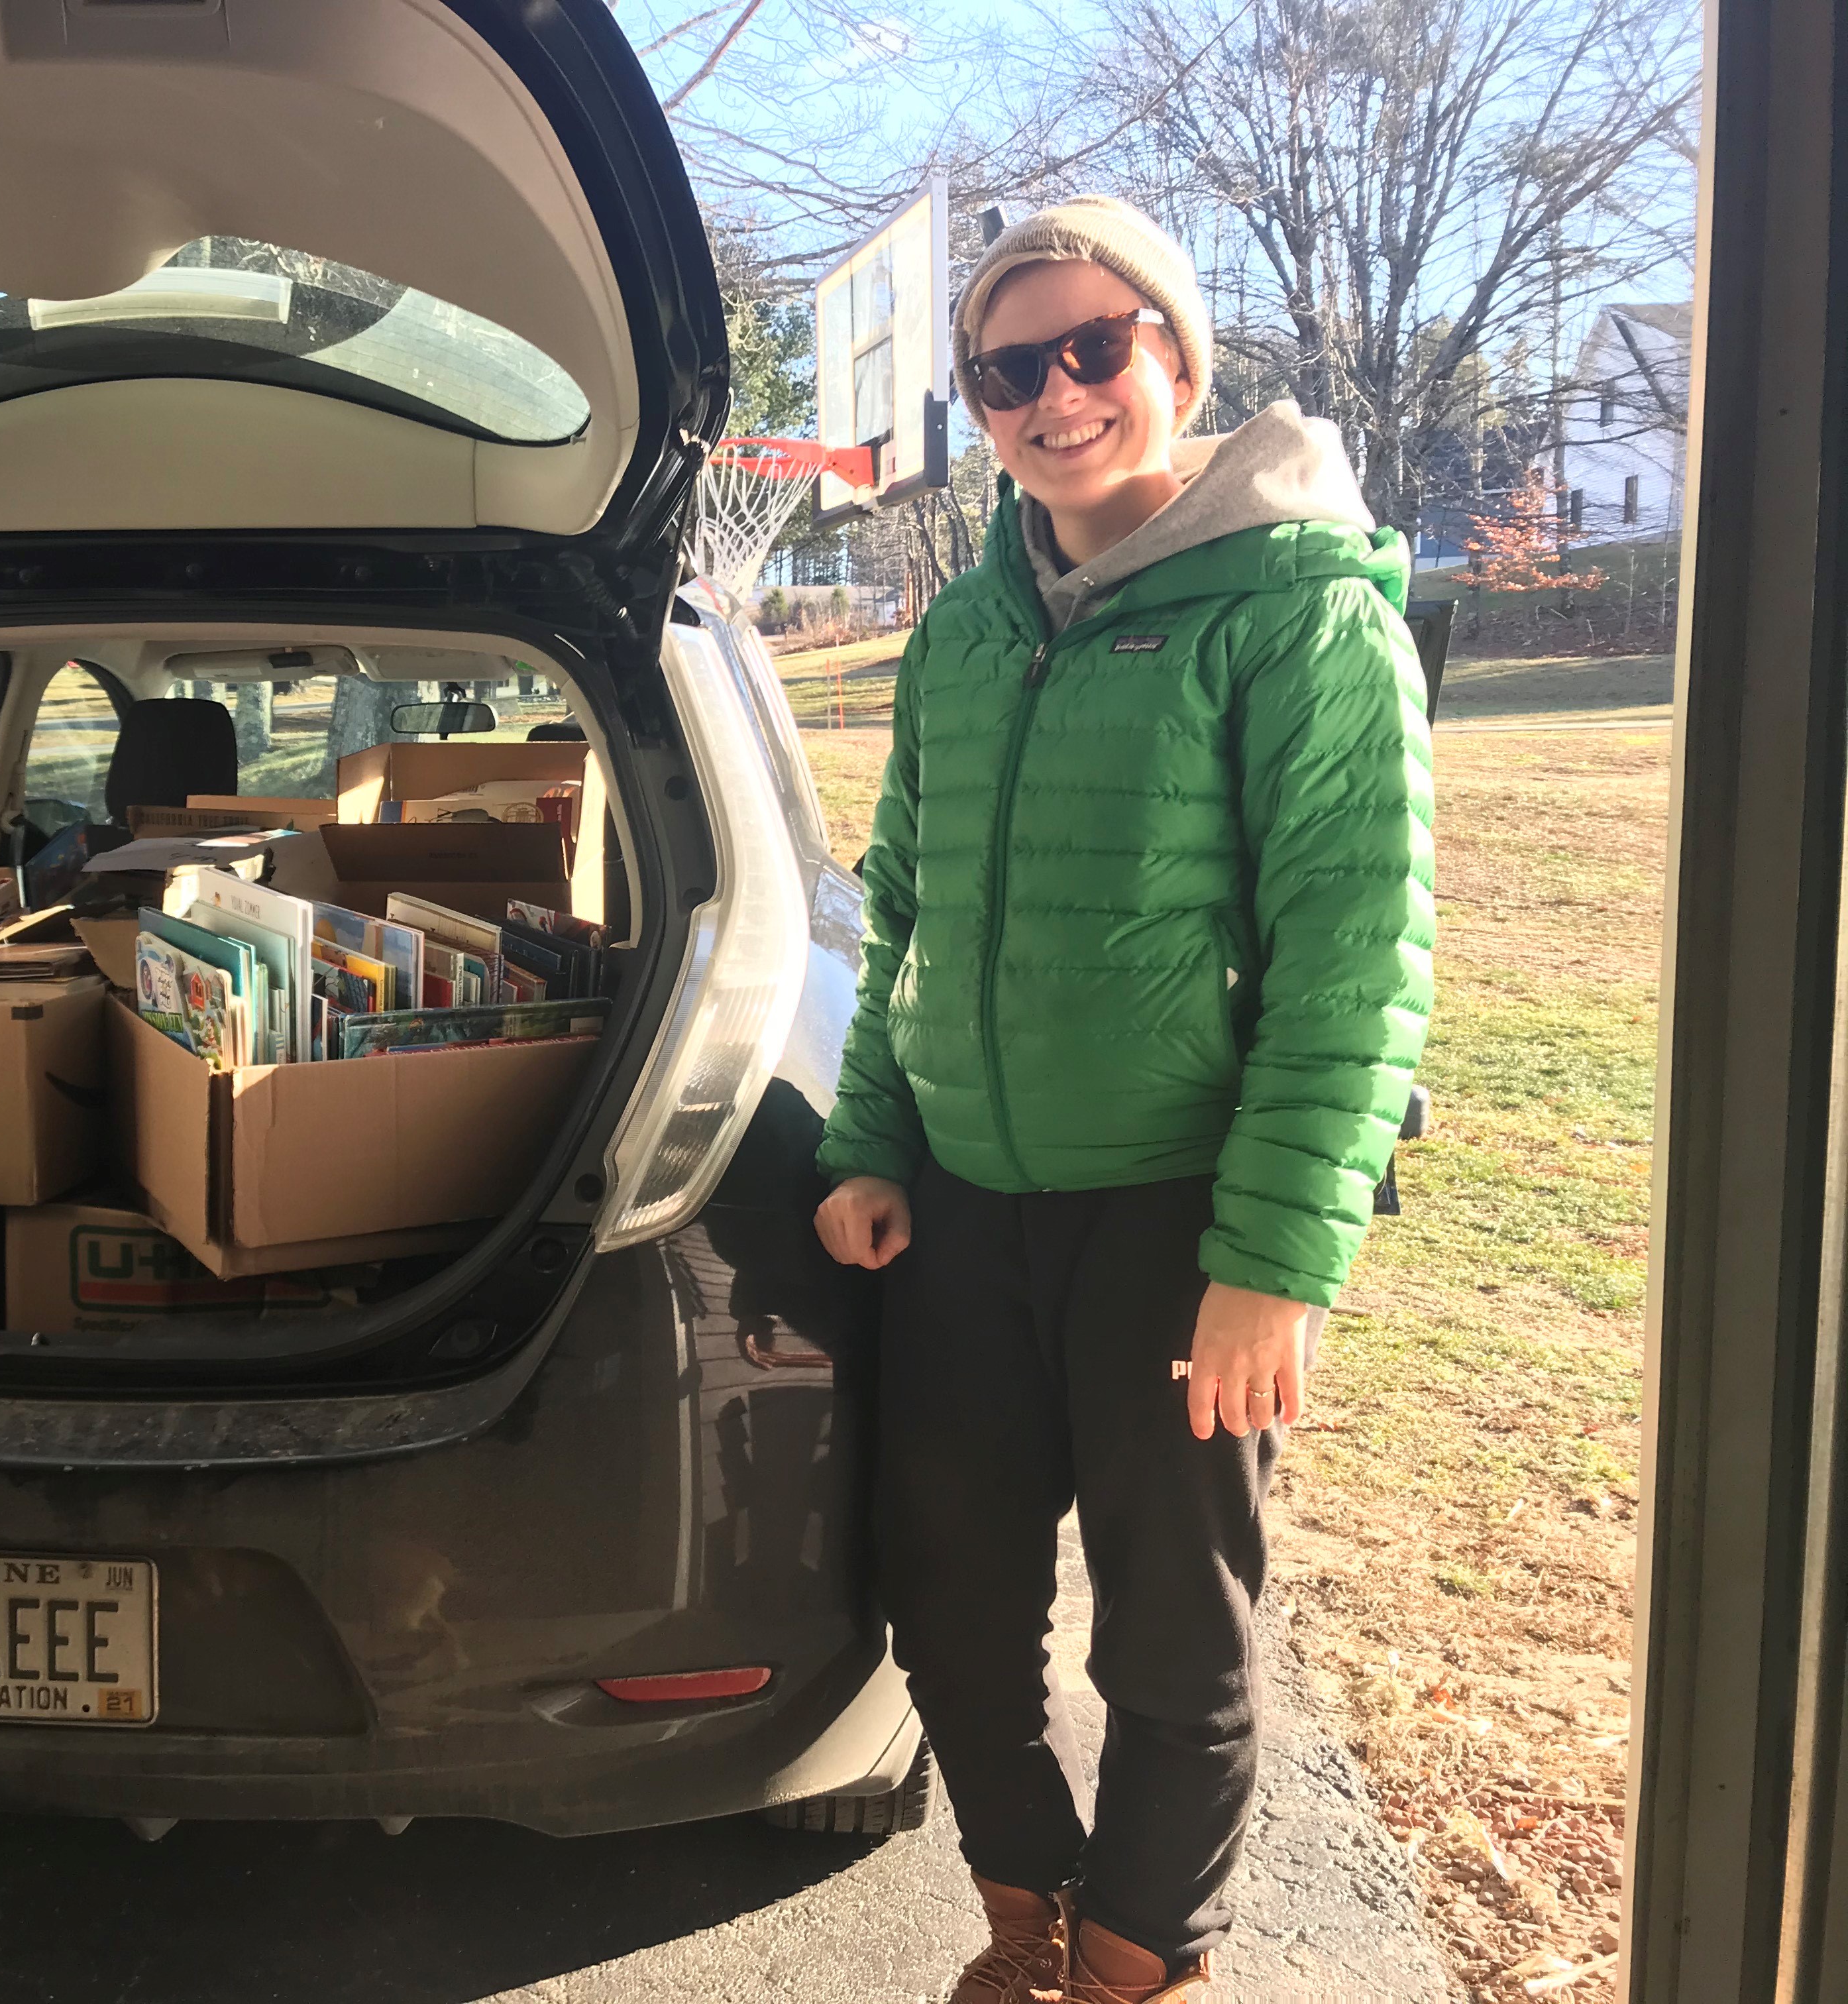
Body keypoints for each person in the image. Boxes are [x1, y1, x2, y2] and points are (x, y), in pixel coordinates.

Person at [812, 196, 1435, 2003]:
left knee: (1172, 1638)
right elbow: (903, 915)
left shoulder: (1304, 615)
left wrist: (1275, 1266)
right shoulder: (963, 632)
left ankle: (1138, 1967)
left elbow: (1356, 970)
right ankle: (1027, 1916)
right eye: (1011, 369)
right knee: (951, 1605)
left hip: (1178, 1214)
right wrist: (865, 1141)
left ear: (1179, 359)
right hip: (965, 1205)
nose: (1056, 395)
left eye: (1098, 348)